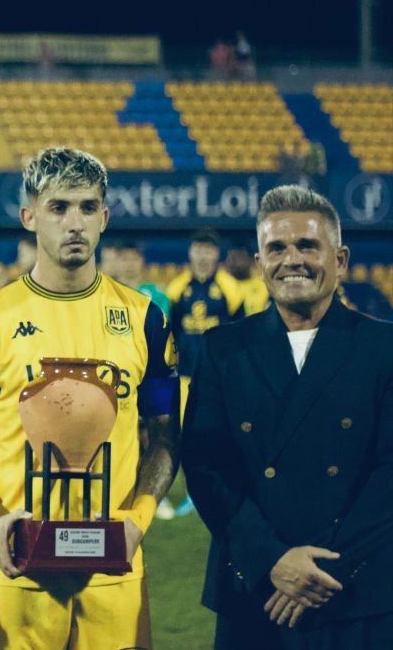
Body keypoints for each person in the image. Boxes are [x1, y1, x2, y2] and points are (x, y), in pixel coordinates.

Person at [0, 147, 179, 649]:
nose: (75, 223)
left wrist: (137, 524)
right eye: (58, 207)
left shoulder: (144, 319)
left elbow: (165, 435)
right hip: (17, 568)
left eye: (88, 207)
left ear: (105, 218)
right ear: (29, 217)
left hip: (116, 566)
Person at [183, 185, 393, 647]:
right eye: (277, 248)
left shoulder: (384, 347)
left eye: (307, 246)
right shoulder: (223, 349)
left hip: (352, 592)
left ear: (339, 260)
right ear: (260, 264)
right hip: (255, 589)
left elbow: (388, 475)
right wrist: (271, 560)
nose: (292, 259)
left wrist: (319, 571)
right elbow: (205, 466)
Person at [166, 228, 244, 416]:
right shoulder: (176, 288)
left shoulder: (231, 288)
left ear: (217, 253)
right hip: (185, 373)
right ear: (190, 252)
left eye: (208, 250)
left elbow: (241, 332)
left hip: (220, 375)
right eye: (198, 249)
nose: (203, 256)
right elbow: (170, 333)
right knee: (185, 427)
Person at [226, 240, 270, 316]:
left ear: (250, 259)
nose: (235, 262)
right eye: (232, 257)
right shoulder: (221, 280)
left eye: (240, 257)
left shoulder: (264, 283)